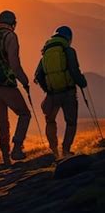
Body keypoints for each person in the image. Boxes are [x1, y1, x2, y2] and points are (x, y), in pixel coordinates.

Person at [0, 10, 31, 164]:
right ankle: (17, 148)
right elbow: (14, 63)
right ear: (13, 23)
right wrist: (24, 81)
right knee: (24, 114)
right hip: (6, 85)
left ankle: (5, 157)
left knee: (2, 121)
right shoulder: (10, 36)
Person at [34, 26, 87, 158]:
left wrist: (48, 90)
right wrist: (82, 82)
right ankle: (66, 150)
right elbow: (74, 70)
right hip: (68, 92)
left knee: (50, 121)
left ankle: (54, 152)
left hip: (53, 94)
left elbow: (38, 75)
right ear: (68, 38)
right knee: (71, 122)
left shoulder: (45, 53)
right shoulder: (68, 50)